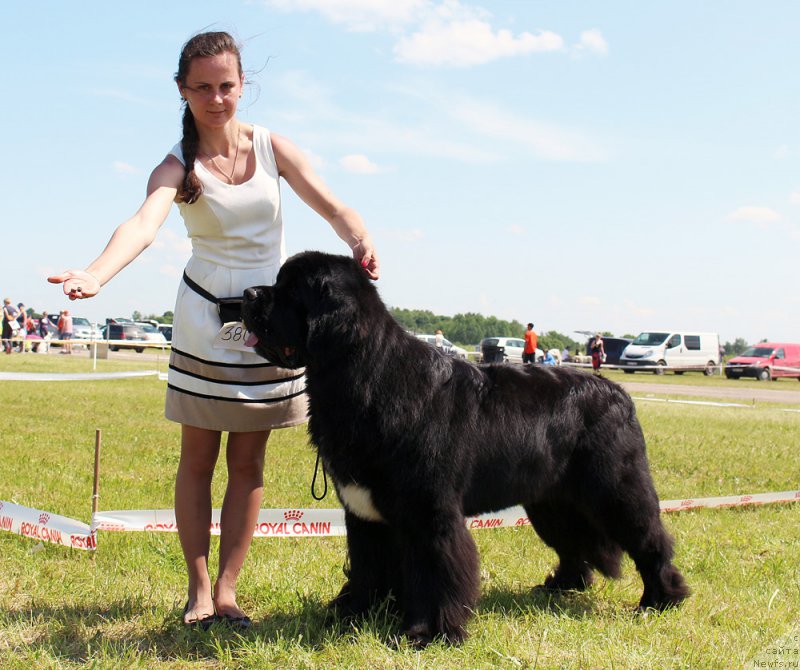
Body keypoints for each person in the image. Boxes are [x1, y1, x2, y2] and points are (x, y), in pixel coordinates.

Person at [48, 31, 379, 629]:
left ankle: (228, 592)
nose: (216, 98)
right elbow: (142, 224)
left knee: (249, 464)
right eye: (202, 87)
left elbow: (333, 205)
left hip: (270, 331)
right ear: (182, 89)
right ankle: (198, 591)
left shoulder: (273, 147)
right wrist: (96, 274)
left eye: (226, 86)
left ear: (241, 85)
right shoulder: (178, 164)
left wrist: (358, 238)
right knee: (197, 460)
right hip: (204, 324)